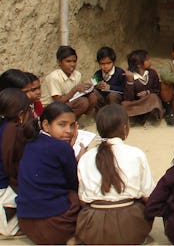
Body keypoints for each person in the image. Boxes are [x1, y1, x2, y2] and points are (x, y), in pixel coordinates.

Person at [76, 104, 153, 245]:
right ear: (125, 128)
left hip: (94, 230)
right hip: (131, 226)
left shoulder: (86, 157)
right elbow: (148, 196)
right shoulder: (136, 154)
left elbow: (82, 201)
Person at [16, 102, 81, 245]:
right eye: (62, 125)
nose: (68, 131)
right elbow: (75, 183)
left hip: (26, 224)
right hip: (53, 227)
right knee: (78, 198)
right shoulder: (62, 147)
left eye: (72, 125)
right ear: (46, 125)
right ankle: (72, 237)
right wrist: (76, 156)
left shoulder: (31, 142)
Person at [0, 89, 30, 238]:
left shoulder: (4, 125)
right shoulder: (13, 131)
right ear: (20, 115)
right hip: (3, 185)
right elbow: (10, 164)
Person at [41, 45, 98, 121]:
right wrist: (74, 90)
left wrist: (87, 89)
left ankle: (75, 121)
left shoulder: (77, 74)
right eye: (68, 61)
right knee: (83, 102)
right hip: (51, 107)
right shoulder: (54, 77)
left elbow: (75, 96)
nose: (72, 64)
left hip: (67, 102)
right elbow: (58, 101)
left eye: (74, 61)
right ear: (59, 62)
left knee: (92, 97)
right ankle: (65, 122)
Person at [122, 49, 163, 126]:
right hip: (136, 103)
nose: (150, 61)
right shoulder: (129, 75)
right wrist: (130, 82)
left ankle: (149, 118)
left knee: (154, 97)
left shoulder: (152, 73)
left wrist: (147, 93)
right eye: (147, 60)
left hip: (148, 102)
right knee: (124, 104)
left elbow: (157, 90)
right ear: (139, 64)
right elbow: (128, 98)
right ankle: (136, 118)